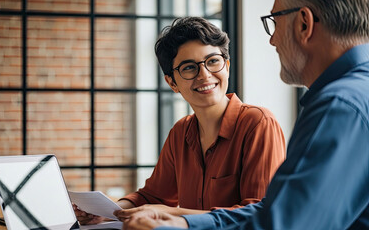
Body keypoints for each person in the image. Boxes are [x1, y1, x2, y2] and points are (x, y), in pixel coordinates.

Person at [118, 0, 369, 229]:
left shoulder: (339, 105)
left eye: (275, 21)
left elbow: (279, 222)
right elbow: (274, 214)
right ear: (171, 81)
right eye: (189, 67)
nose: (272, 39)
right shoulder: (352, 96)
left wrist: (175, 221)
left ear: (304, 23)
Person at [75, 17, 286, 225]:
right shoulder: (181, 131)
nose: (204, 75)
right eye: (189, 67)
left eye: (213, 61)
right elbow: (153, 197)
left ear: (227, 66)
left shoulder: (258, 123)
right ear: (172, 82)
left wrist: (171, 215)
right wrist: (106, 212)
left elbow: (259, 214)